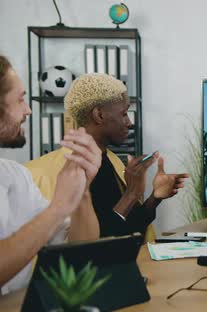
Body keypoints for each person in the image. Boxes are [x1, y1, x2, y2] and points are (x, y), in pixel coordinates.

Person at [25, 73, 188, 240]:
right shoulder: (61, 173)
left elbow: (128, 227)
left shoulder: (113, 160)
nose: (130, 122)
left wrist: (155, 197)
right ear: (99, 115)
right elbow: (90, 243)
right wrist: (131, 193)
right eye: (124, 113)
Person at [0, 55, 101, 294]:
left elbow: (80, 254)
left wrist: (82, 192)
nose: (28, 111)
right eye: (20, 99)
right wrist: (59, 206)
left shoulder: (16, 176)